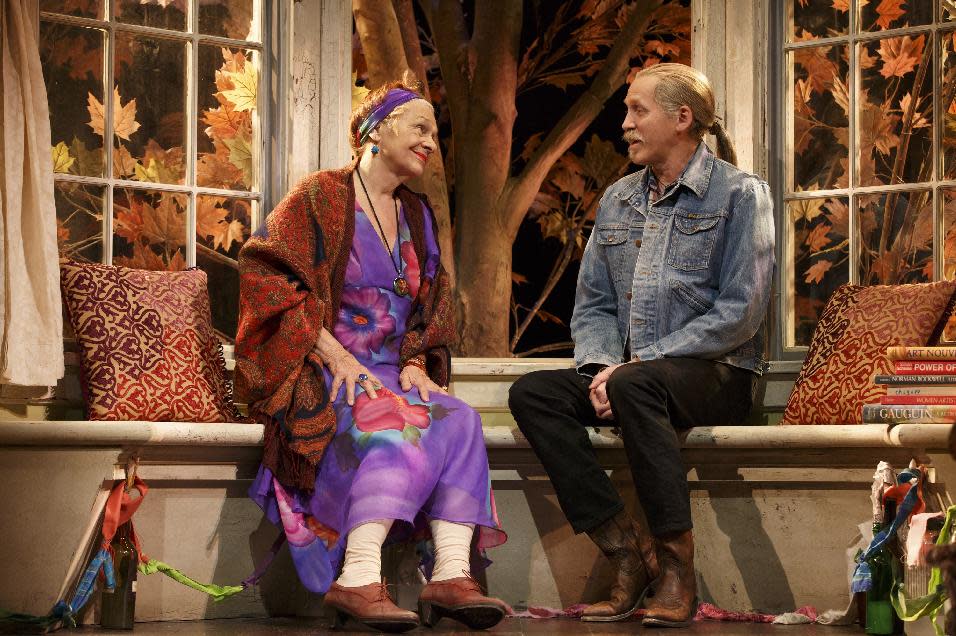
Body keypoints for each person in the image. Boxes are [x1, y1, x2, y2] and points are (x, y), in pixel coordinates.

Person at [236, 76, 508, 633]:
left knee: (461, 420)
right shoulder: (322, 196)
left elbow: (429, 303)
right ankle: (358, 577)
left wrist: (414, 361)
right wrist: (335, 356)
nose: (432, 142)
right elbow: (264, 272)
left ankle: (452, 575)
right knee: (388, 425)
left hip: (388, 371)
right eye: (420, 128)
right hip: (323, 370)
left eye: (435, 133)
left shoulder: (418, 213)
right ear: (377, 131)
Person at [508, 63, 775, 628]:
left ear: (682, 119)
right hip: (633, 378)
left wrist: (634, 366)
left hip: (717, 374)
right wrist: (603, 368)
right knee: (534, 394)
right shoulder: (619, 200)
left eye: (638, 110)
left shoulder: (740, 195)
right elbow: (595, 305)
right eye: (626, 110)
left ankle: (678, 569)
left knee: (636, 382)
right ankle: (627, 552)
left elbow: (740, 313)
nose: (625, 123)